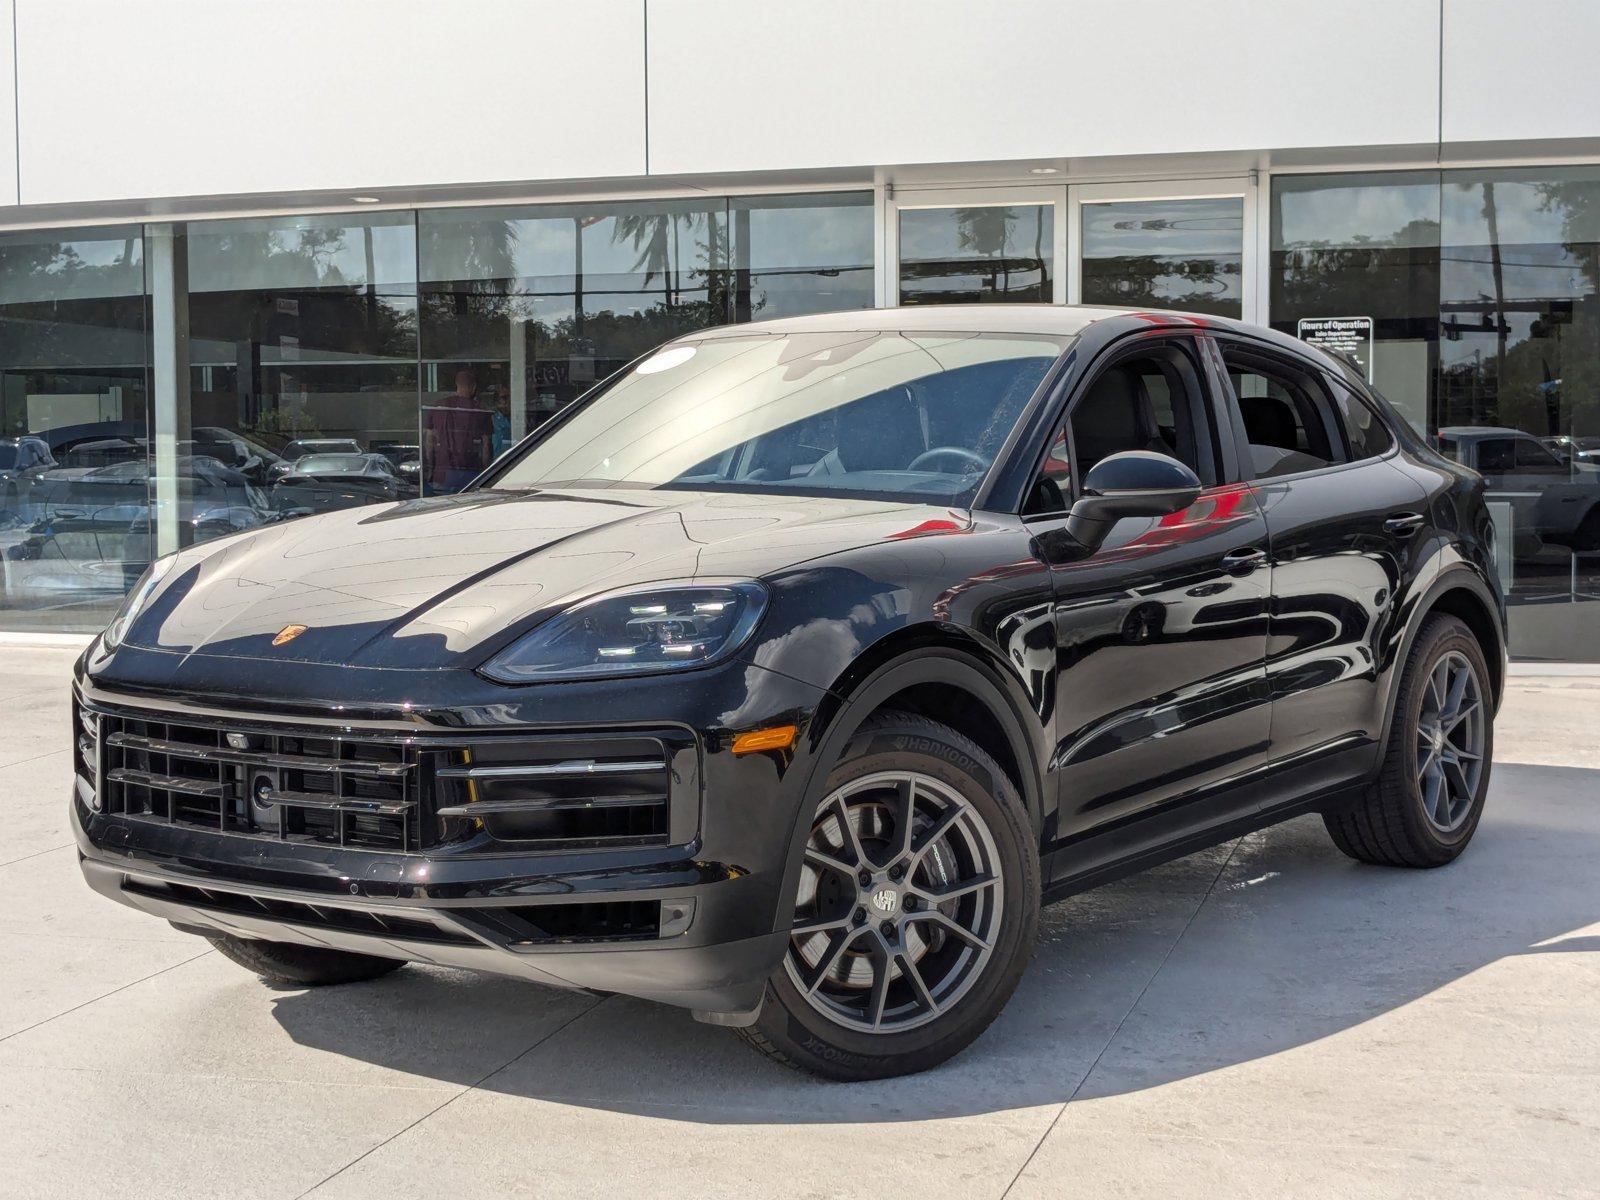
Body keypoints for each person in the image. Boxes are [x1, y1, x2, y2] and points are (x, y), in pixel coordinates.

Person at [422, 369, 493, 494]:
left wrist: (430, 468)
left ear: (456, 385)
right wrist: (487, 473)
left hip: (442, 472)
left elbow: (429, 441)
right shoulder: (480, 410)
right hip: (471, 472)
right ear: (474, 387)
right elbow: (486, 445)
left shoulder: (438, 406)